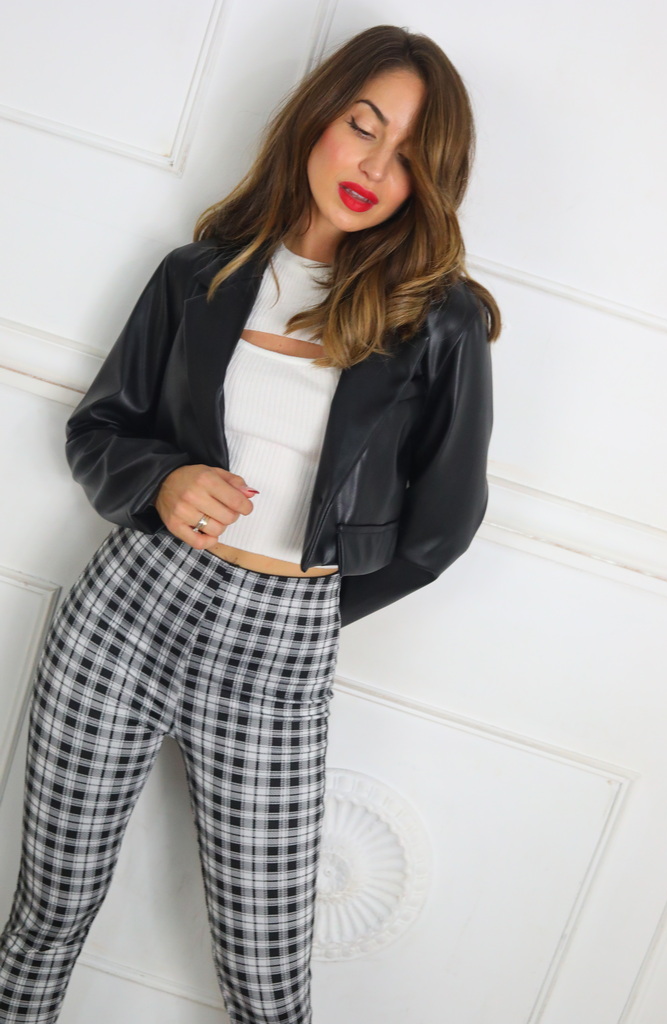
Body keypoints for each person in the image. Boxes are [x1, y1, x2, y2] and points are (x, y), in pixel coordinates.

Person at [0, 23, 499, 1024]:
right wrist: (163, 482)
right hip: (125, 614)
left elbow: (440, 528)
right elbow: (99, 429)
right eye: (363, 126)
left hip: (279, 655)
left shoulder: (434, 320)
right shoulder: (200, 274)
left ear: (429, 183)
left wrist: (304, 600)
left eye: (408, 155)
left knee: (267, 986)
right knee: (48, 919)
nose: (373, 166)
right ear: (317, 117)